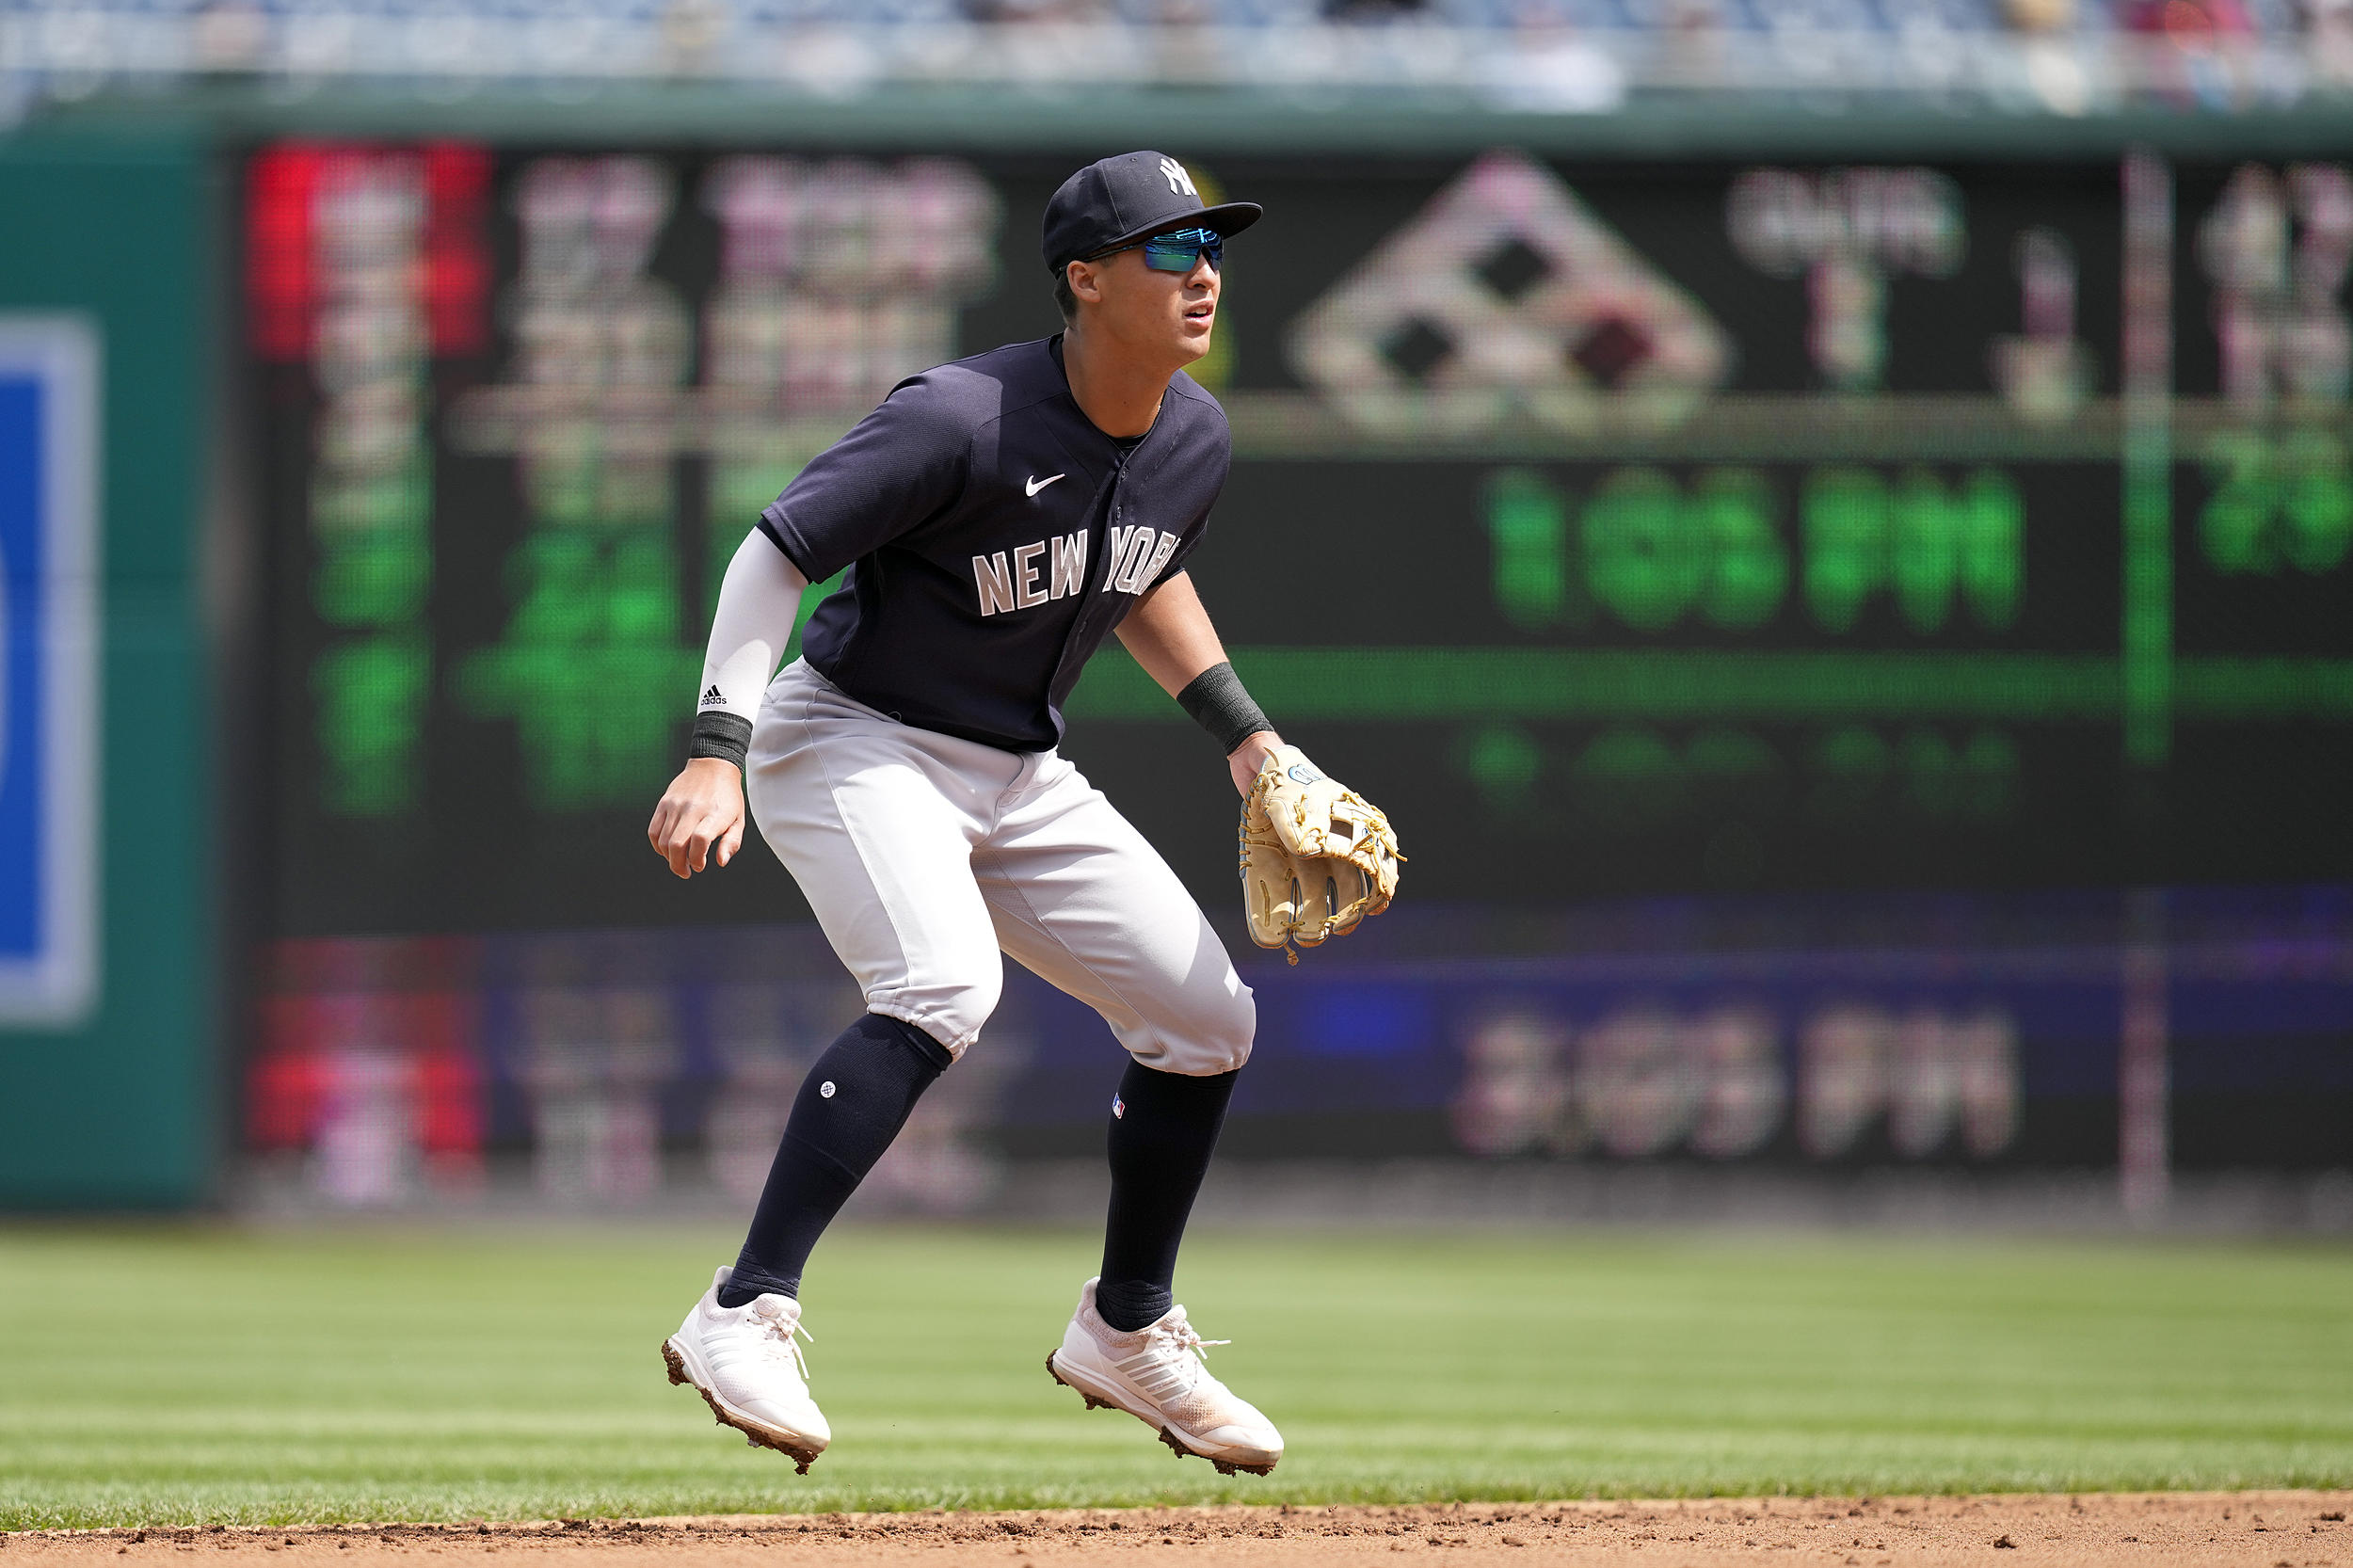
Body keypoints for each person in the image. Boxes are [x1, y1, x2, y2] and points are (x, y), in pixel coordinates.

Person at [646, 151, 1334, 1480]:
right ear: (1085, 278)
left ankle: (1126, 1329)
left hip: (1015, 767)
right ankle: (743, 1305)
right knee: (944, 983)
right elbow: (773, 552)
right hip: (850, 735)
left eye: (1214, 248)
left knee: (1206, 1020)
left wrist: (1250, 740)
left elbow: (1138, 574)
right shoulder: (960, 417)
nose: (1206, 274)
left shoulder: (1194, 435)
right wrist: (716, 749)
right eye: (1173, 250)